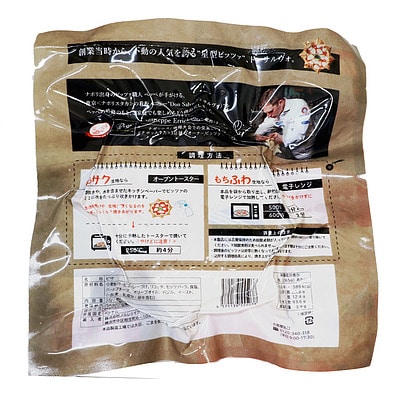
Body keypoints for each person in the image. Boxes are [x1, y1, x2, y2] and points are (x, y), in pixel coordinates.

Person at [254, 87, 310, 158]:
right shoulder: (275, 111)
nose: (269, 115)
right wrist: (258, 134)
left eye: (270, 111)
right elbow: (265, 125)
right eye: (266, 113)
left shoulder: (299, 106)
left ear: (280, 102)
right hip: (288, 152)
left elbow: (300, 134)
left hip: (304, 154)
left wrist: (282, 138)